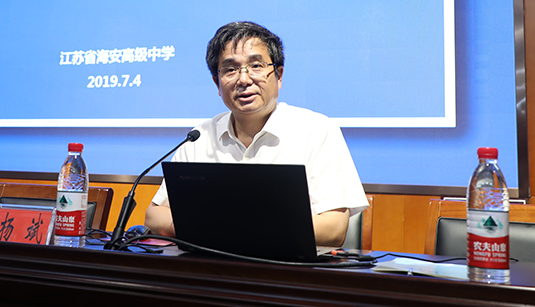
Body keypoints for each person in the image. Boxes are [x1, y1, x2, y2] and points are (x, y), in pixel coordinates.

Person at [144, 21, 368, 246]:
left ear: (279, 75)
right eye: (230, 69)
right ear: (217, 83)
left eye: (256, 66)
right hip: (212, 264)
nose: (244, 79)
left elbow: (334, 229)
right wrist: (230, 227)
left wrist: (224, 226)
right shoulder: (199, 137)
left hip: (288, 265)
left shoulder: (317, 131)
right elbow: (154, 216)